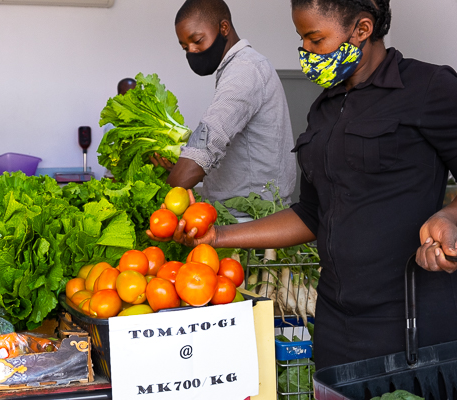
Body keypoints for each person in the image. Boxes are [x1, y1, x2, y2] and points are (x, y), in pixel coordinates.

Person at [154, 0, 457, 369]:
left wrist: (450, 216)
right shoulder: (324, 109)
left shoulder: (428, 88)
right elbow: (312, 214)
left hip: (409, 318)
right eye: (302, 39)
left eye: (315, 39)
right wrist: (218, 236)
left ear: (361, 30)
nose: (306, 52)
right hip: (334, 319)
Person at [152, 0, 296, 213]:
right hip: (241, 213)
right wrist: (180, 166)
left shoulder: (244, 71)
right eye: (185, 47)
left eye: (197, 40)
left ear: (224, 28)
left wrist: (156, 203)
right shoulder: (239, 67)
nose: (192, 51)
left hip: (251, 218)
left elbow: (208, 143)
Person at [103, 78, 137, 179]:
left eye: (135, 94)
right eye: (127, 94)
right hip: (115, 178)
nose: (131, 98)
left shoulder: (141, 118)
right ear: (119, 96)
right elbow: (116, 158)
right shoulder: (114, 123)